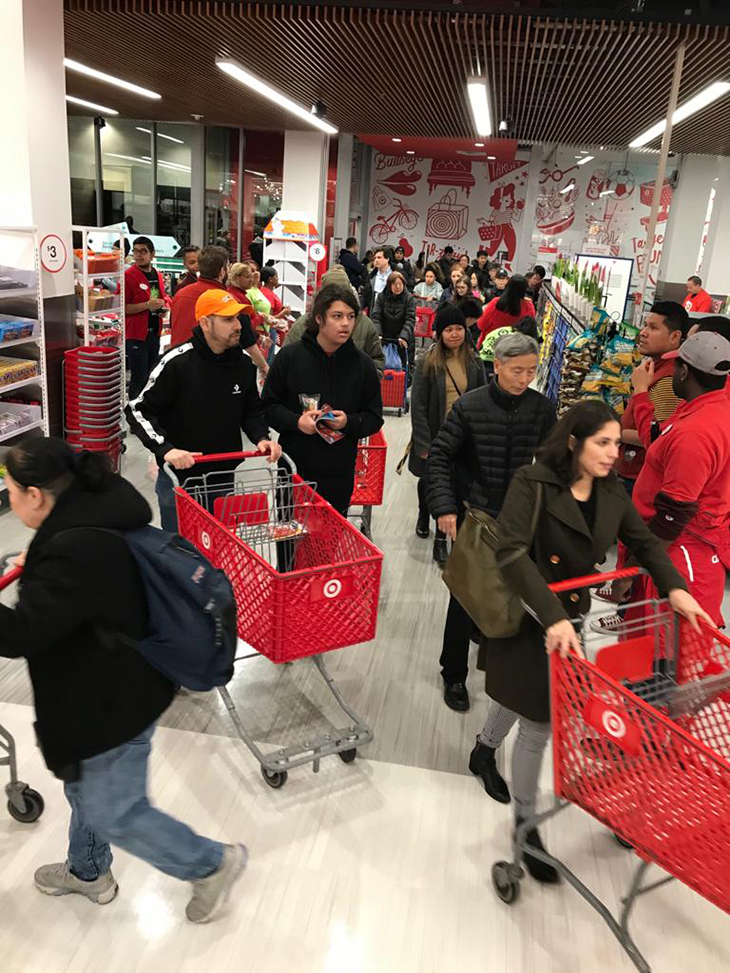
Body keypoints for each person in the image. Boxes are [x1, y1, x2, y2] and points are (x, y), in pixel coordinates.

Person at [0, 437, 248, 921]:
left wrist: (42, 570)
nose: (8, 499)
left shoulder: (75, 550)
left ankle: (212, 865)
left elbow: (21, 634)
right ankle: (87, 869)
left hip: (111, 705)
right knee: (84, 789)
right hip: (111, 686)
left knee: (117, 811)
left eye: (10, 490)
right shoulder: (90, 509)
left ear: (36, 495)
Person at [469, 401, 709, 883]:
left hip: (567, 617)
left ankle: (483, 749)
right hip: (532, 615)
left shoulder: (610, 492)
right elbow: (511, 552)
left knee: (523, 697)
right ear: (574, 441)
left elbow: (642, 542)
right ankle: (526, 826)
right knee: (539, 718)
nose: (613, 453)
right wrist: (553, 617)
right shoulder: (532, 483)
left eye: (617, 444)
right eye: (603, 442)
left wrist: (676, 588)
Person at [427, 333, 556, 712]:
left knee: (509, 594)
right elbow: (440, 457)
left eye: (531, 371)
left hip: (521, 518)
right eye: (517, 370)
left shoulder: (542, 409)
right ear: (496, 366)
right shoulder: (470, 407)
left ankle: (491, 648)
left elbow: (553, 463)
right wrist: (445, 507)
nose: (524, 379)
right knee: (465, 593)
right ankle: (453, 673)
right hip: (476, 512)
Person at [126, 289, 281, 532]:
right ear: (206, 323)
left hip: (223, 475)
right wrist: (166, 449)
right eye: (228, 319)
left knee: (216, 549)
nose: (238, 325)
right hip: (180, 478)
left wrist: (262, 437)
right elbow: (137, 409)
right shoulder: (176, 362)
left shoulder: (243, 364)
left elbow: (251, 410)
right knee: (181, 553)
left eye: (238, 318)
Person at [627, 331, 730, 627]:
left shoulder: (696, 434)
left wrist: (631, 572)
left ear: (684, 371)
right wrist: (642, 397)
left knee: (668, 657)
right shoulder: (707, 409)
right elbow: (658, 441)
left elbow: (672, 517)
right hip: (687, 553)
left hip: (680, 559)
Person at [262, 284, 383, 515]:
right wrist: (297, 422)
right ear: (319, 318)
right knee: (289, 542)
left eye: (350, 317)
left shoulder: (362, 365)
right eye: (337, 316)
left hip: (339, 472)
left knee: (329, 544)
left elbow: (374, 417)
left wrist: (348, 422)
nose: (346, 324)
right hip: (295, 470)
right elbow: (268, 406)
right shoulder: (290, 357)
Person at [409, 305, 486, 563]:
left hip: (464, 437)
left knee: (454, 484)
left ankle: (442, 537)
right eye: (448, 330)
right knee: (430, 480)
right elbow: (418, 406)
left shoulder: (474, 361)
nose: (454, 334)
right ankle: (423, 513)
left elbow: (483, 397)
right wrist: (423, 443)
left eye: (459, 329)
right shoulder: (427, 363)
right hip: (436, 434)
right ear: (439, 333)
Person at [618, 301, 689, 497]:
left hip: (638, 477)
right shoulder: (655, 366)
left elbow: (658, 436)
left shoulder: (670, 379)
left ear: (675, 336)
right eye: (645, 325)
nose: (643, 332)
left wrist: (614, 432)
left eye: (653, 327)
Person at [170, 246, 268, 374]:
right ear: (222, 271)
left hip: (177, 363)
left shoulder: (180, 293)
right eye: (228, 266)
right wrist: (264, 366)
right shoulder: (226, 300)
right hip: (209, 367)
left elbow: (173, 324)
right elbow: (247, 340)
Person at [284, 266, 385, 376]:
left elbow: (377, 361)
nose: (345, 323)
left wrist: (360, 383)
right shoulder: (303, 324)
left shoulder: (365, 324)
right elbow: (286, 361)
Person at [124, 236, 170, 400]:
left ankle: (145, 411)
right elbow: (123, 308)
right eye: (135, 251)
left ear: (152, 254)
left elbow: (160, 298)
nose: (138, 255)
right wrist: (147, 305)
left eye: (143, 251)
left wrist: (162, 309)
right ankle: (133, 415)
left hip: (154, 333)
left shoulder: (156, 274)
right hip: (136, 335)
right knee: (139, 377)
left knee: (151, 376)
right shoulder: (128, 276)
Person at [371, 271, 416, 370]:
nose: (398, 287)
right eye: (395, 284)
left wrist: (404, 336)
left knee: (403, 371)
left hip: (403, 340)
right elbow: (376, 316)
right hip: (385, 338)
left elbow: (410, 319)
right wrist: (378, 334)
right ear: (389, 285)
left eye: (401, 284)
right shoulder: (381, 297)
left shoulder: (409, 298)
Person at [476, 274, 535, 349]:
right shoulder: (528, 306)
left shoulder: (496, 303)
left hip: (490, 347)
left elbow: (481, 324)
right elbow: (530, 329)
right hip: (514, 349)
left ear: (507, 285)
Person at [360, 247, 393, 312]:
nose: (376, 260)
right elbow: (365, 295)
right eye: (375, 258)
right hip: (373, 312)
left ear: (387, 259)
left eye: (379, 258)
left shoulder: (395, 275)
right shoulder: (371, 277)